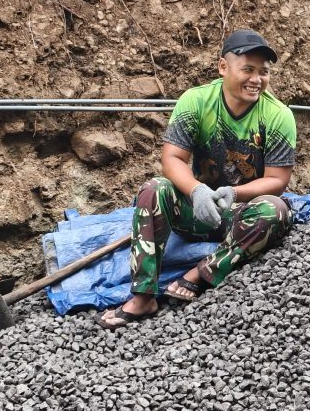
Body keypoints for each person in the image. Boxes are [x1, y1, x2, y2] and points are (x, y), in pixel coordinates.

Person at [96, 29, 296, 329]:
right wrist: (197, 190)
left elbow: (278, 180)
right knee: (153, 189)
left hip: (238, 213)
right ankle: (143, 296)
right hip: (194, 208)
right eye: (248, 70)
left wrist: (233, 192)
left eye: (264, 72)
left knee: (276, 209)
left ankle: (200, 275)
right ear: (223, 67)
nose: (256, 79)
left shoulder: (278, 115)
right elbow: (172, 159)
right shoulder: (197, 101)